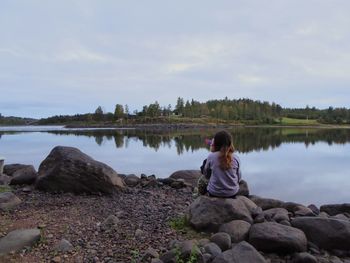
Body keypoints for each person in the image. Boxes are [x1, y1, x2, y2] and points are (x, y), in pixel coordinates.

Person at [200, 130, 241, 198]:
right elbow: (239, 177)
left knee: (202, 180)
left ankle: (201, 196)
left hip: (215, 193)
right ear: (230, 143)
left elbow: (206, 174)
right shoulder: (236, 157)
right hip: (232, 193)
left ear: (216, 143)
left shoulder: (211, 156)